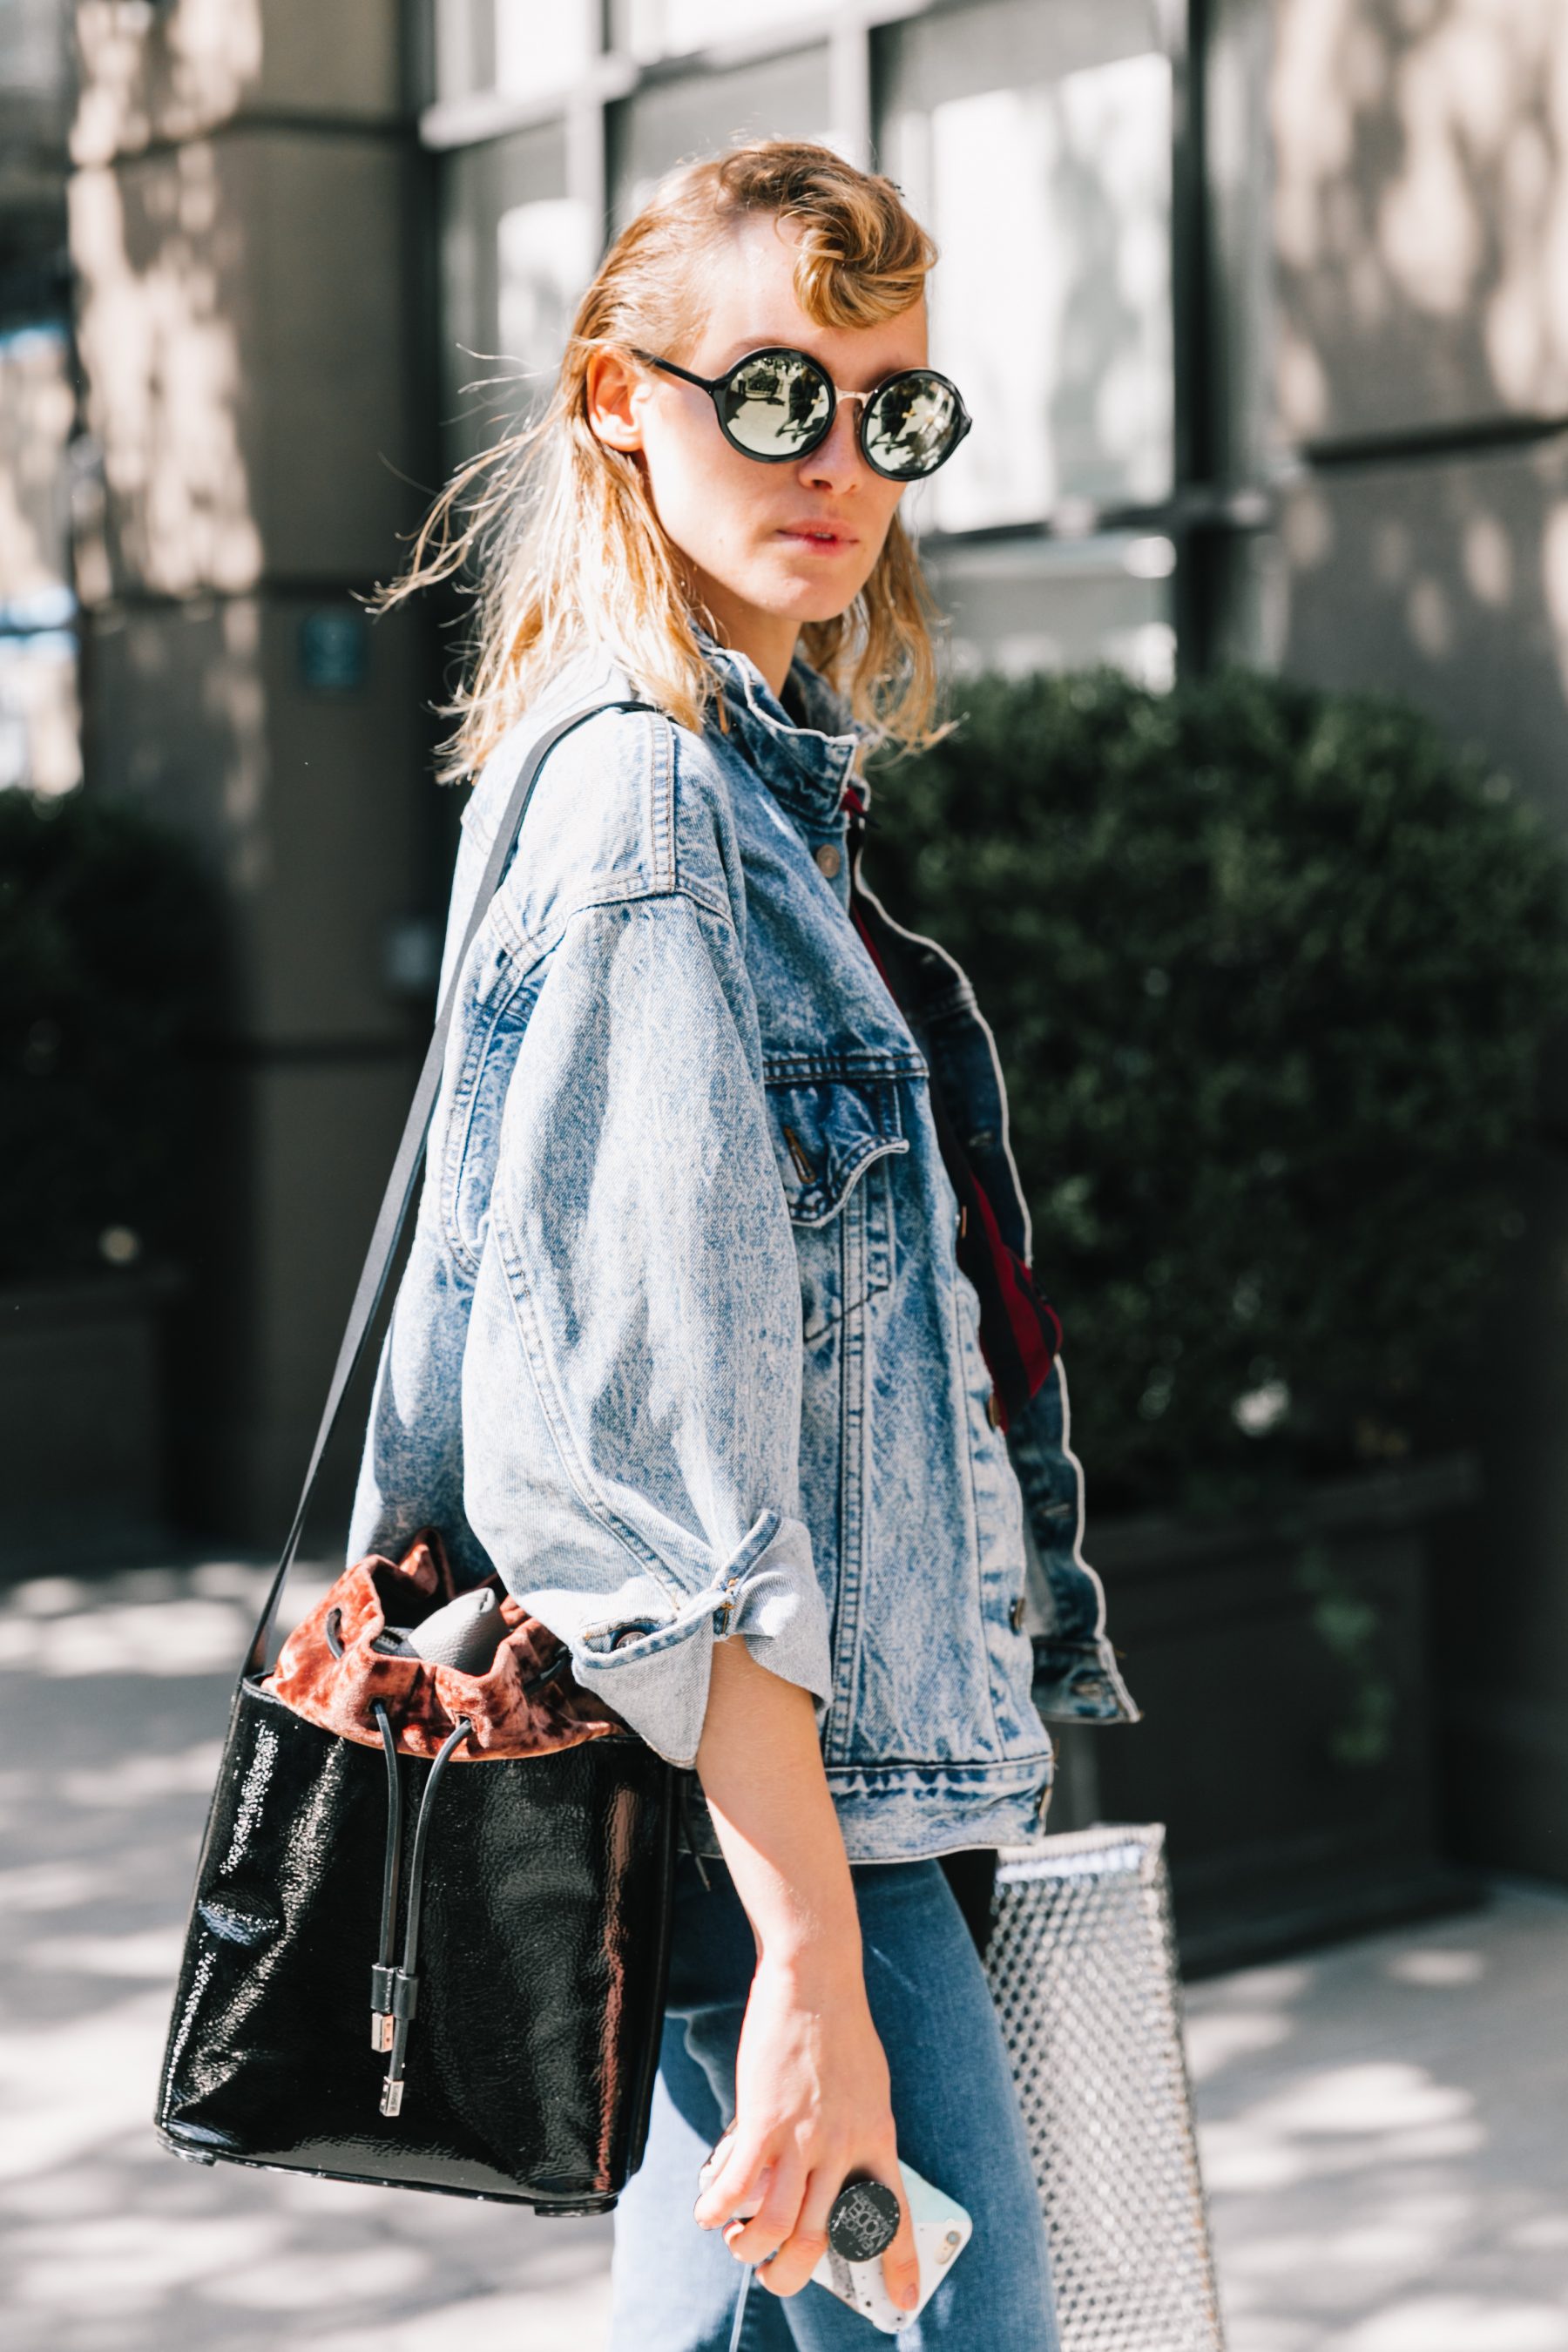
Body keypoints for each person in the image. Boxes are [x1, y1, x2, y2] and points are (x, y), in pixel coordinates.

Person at [359, 140, 1136, 2351]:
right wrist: (813, 1959)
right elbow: (643, 1477)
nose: (840, 463)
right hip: (791, 1844)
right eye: (774, 392)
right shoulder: (652, 816)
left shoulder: (743, 785)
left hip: (793, 1825)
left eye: (892, 411)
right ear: (623, 398)